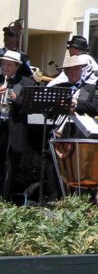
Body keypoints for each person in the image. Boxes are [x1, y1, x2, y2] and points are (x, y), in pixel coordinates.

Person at [0, 50, 38, 203]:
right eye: (3, 64)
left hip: (15, 128)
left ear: (17, 67)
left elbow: (32, 106)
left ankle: (6, 200)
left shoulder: (26, 82)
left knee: (11, 166)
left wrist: (16, 99)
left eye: (9, 65)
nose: (5, 67)